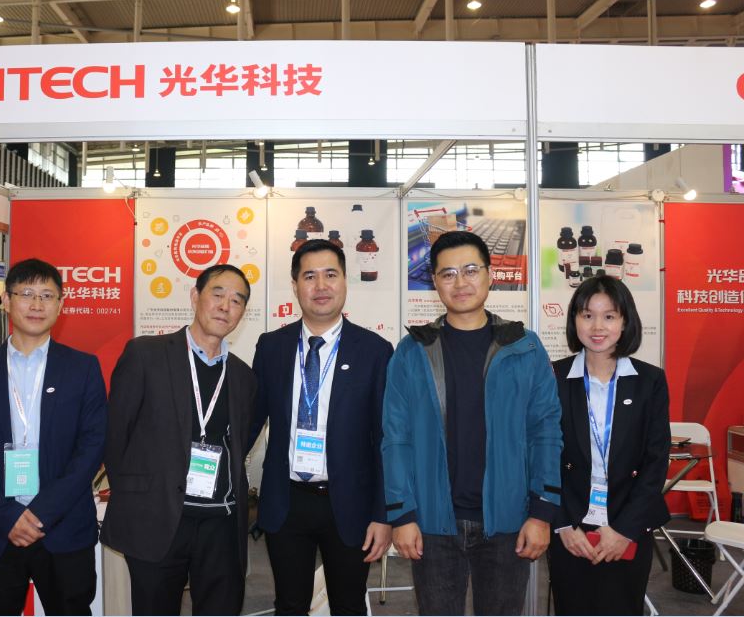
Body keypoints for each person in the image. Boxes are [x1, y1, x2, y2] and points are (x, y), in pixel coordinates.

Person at [382, 230, 562, 615]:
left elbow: (545, 433)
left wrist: (542, 511)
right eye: (447, 274)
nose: (460, 282)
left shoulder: (524, 347)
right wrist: (402, 515)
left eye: (470, 270)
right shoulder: (412, 351)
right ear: (434, 282)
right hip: (432, 524)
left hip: (508, 522)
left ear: (490, 274)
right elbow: (396, 438)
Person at [0, 258, 107, 615]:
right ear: (6, 300)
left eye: (47, 296)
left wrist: (41, 513)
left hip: (63, 528)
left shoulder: (83, 368)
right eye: (27, 294)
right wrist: (7, 516)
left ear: (61, 305)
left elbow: (92, 447)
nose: (37, 304)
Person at [101, 263, 257, 615]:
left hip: (220, 524)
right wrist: (137, 501)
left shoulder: (242, 376)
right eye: (218, 294)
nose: (225, 306)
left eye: (237, 300)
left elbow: (240, 442)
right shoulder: (145, 354)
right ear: (195, 296)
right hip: (157, 520)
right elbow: (116, 436)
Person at [249, 239, 393, 616]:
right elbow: (249, 422)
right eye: (309, 276)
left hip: (350, 503)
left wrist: (383, 514)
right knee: (289, 605)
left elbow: (385, 440)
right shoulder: (272, 347)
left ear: (345, 281)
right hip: (286, 501)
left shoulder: (375, 351)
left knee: (348, 605)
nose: (321, 285)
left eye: (331, 274)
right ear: (295, 285)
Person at [548, 275, 670, 615]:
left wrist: (625, 530)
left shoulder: (650, 381)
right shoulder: (553, 377)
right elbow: (541, 455)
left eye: (609, 316)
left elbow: (656, 460)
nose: (597, 326)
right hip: (571, 527)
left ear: (625, 322)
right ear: (574, 320)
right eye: (587, 315)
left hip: (627, 524)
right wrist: (562, 523)